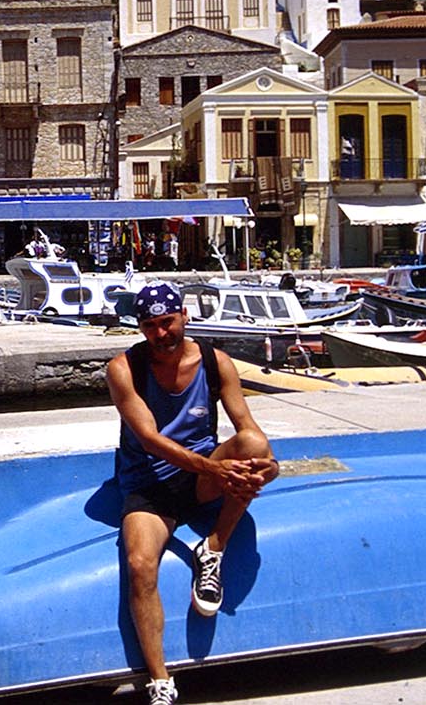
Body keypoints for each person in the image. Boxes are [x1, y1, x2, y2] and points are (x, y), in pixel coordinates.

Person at [108, 283, 277, 705]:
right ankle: (160, 680)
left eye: (167, 323)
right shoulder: (124, 369)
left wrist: (265, 469)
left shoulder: (216, 363)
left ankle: (213, 548)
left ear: (184, 315)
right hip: (150, 484)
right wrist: (215, 468)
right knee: (140, 563)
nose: (161, 335)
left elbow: (246, 427)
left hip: (202, 477)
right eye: (150, 327)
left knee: (254, 445)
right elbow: (148, 439)